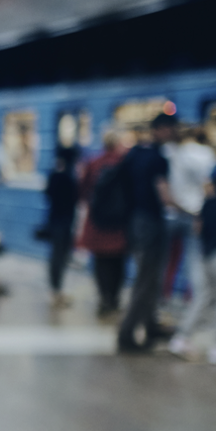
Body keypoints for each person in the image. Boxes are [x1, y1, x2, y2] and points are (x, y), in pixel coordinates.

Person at [168, 163, 216, 364]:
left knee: (204, 295)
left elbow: (197, 229)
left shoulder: (207, 203)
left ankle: (182, 337)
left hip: (205, 254)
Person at [117, 112, 178, 353]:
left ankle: (151, 324)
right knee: (147, 280)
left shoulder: (135, 153)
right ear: (161, 129)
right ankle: (127, 334)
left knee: (149, 278)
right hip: (151, 223)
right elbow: (165, 197)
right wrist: (191, 210)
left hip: (133, 223)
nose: (173, 133)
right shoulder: (158, 159)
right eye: (171, 128)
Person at [78, 130, 128, 317]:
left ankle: (104, 298)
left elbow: (83, 191)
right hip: (120, 223)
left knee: (101, 261)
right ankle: (114, 299)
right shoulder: (124, 163)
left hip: (98, 221)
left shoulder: (93, 162)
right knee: (118, 261)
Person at [163, 126, 216, 299]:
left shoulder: (167, 151)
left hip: (169, 212)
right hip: (194, 213)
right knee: (194, 261)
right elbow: (209, 187)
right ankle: (191, 298)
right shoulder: (205, 154)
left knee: (167, 259)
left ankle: (164, 296)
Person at [44, 146, 79, 309]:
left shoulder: (54, 175)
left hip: (55, 220)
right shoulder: (67, 177)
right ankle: (56, 291)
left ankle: (56, 290)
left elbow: (47, 194)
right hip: (63, 222)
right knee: (59, 257)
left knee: (57, 257)